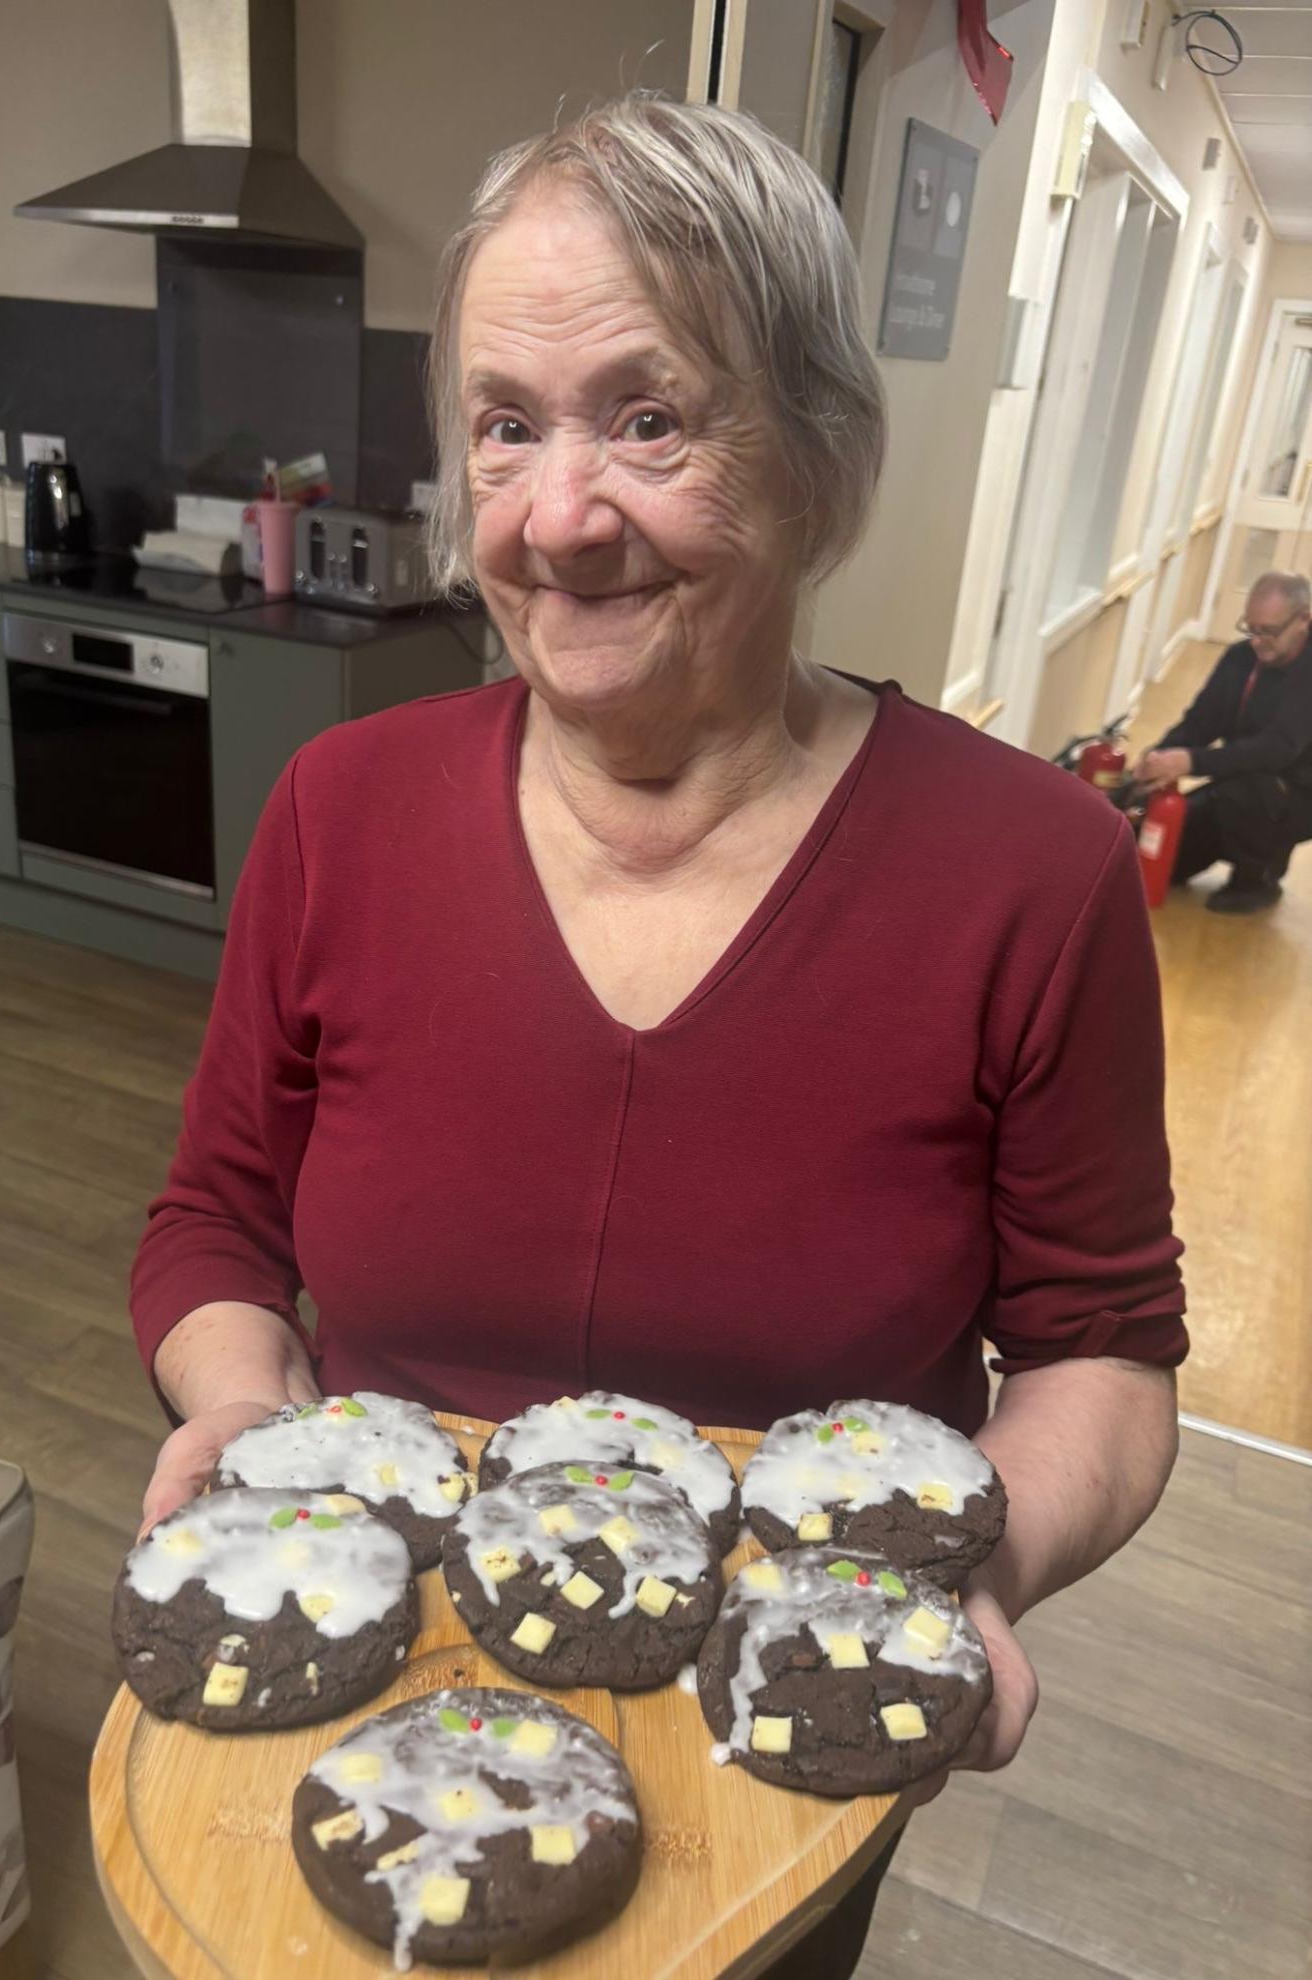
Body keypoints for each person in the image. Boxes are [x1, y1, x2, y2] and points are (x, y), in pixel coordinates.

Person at [130, 96, 1186, 1977]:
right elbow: (217, 1221)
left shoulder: (1031, 873)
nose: (557, 519)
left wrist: (964, 1579)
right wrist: (239, 1407)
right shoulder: (337, 814)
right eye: (506, 426)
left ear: (814, 447)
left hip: (758, 1782)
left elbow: (1101, 1349)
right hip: (361, 1708)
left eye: (649, 417)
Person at [1135, 570, 1312, 914]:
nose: (1257, 641)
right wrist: (1159, 756)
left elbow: (1278, 749)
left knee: (1245, 792)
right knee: (1166, 856)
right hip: (1237, 780)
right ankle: (1237, 841)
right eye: (1251, 628)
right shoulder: (1240, 658)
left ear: (1304, 620)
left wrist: (1191, 762)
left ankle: (1258, 878)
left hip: (1297, 794)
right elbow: (1200, 722)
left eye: (1269, 632)